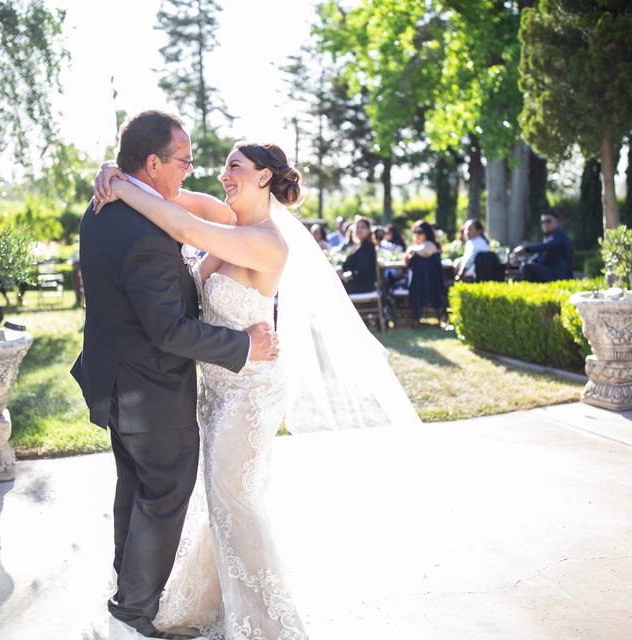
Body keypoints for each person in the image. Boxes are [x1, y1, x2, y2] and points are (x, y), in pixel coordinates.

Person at [93, 128, 421, 639]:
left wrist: (118, 185)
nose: (223, 176)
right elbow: (175, 196)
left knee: (234, 502)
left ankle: (266, 625)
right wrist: (110, 173)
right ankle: (217, 603)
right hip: (216, 388)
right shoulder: (230, 219)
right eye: (223, 167)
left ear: (264, 177)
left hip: (251, 391)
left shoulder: (265, 242)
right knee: (220, 502)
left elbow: (178, 219)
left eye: (235, 168)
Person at [74, 111, 279, 640]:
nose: (194, 170)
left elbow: (186, 222)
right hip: (151, 386)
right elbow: (168, 330)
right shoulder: (143, 225)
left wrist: (114, 176)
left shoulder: (102, 208)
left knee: (137, 489)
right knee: (163, 493)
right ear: (152, 162)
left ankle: (128, 592)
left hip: (122, 381)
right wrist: (244, 345)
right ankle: (135, 609)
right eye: (184, 161)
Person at [510, 209, 573, 282]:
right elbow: (540, 255)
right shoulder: (549, 236)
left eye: (548, 221)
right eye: (543, 222)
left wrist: (525, 248)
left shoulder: (559, 235)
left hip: (558, 275)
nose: (545, 224)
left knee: (527, 267)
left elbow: (545, 246)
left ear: (557, 221)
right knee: (526, 265)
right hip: (550, 272)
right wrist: (524, 259)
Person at [405, 220, 447, 322]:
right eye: (415, 232)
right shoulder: (418, 247)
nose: (417, 235)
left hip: (429, 285)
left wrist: (411, 250)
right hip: (421, 284)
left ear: (427, 233)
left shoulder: (429, 245)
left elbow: (425, 251)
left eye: (420, 232)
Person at [340, 216, 378, 294]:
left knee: (335, 287)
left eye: (363, 227)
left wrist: (346, 276)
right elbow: (347, 265)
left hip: (364, 285)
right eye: (357, 227)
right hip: (357, 282)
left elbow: (361, 271)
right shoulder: (358, 246)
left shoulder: (368, 247)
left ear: (368, 230)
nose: (359, 229)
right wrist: (341, 270)